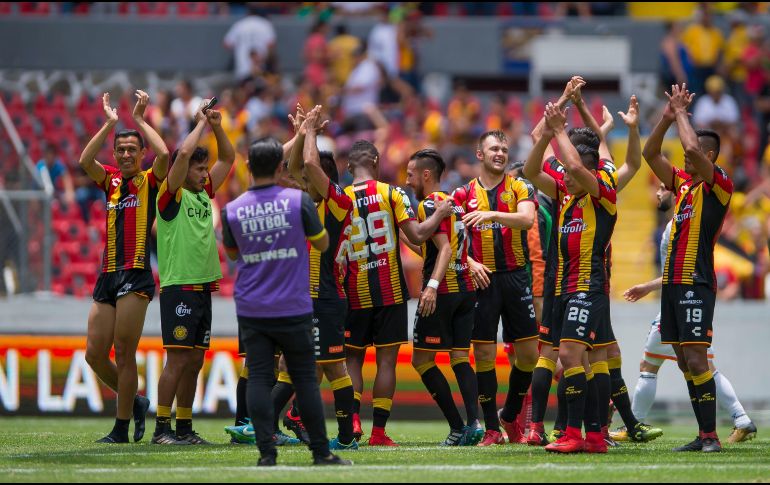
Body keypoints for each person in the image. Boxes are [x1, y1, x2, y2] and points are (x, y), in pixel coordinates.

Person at [221, 137, 351, 467]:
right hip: (293, 303)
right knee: (305, 379)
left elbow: (233, 254)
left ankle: (266, 454)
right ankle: (321, 453)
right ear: (280, 168)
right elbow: (321, 243)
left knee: (258, 376)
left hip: (251, 305)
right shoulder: (298, 202)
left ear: (248, 167)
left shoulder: (232, 209)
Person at [614, 182, 757, 444]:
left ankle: (634, 424)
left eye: (662, 188)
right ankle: (741, 418)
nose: (657, 193)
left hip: (677, 305)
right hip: (682, 302)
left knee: (652, 366)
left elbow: (677, 271)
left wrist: (647, 286)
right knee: (704, 367)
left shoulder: (677, 228)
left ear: (676, 192)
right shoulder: (676, 225)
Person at [642, 83, 734, 453]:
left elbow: (692, 148)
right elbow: (650, 153)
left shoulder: (719, 184)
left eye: (691, 153)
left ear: (708, 156)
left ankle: (711, 436)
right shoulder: (682, 186)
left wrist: (681, 111)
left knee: (696, 357)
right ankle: (703, 434)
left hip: (697, 281)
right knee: (683, 360)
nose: (685, 158)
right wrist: (667, 117)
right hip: (673, 284)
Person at [342, 139, 451, 446]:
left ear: (349, 167)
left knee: (353, 359)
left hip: (354, 290)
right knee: (386, 362)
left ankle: (352, 420)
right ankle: (378, 432)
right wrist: (439, 214)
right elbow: (417, 234)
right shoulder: (392, 193)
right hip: (389, 290)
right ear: (376, 162)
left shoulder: (340, 197)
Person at [523, 102, 617, 454]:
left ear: (589, 173)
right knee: (578, 361)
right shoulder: (567, 192)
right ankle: (594, 436)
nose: (565, 178)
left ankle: (574, 434)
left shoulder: (603, 191)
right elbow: (531, 170)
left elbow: (575, 165)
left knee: (570, 355)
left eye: (571, 174)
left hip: (588, 287)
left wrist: (559, 129)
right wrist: (548, 131)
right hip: (563, 287)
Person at [79, 90, 169, 443]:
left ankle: (120, 428)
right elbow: (85, 160)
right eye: (121, 150)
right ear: (115, 154)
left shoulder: (149, 180)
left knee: (124, 350)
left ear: (141, 153)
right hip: (108, 273)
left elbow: (165, 154)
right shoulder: (111, 180)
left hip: (136, 272)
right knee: (94, 354)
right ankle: (137, 401)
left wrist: (141, 120)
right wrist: (110, 124)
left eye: (133, 149)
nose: (127, 154)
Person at [151, 101, 235, 445]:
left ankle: (184, 427)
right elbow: (183, 153)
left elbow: (228, 157)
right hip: (179, 288)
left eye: (205, 169)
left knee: (195, 361)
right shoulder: (170, 196)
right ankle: (161, 428)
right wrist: (199, 123)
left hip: (202, 288)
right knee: (177, 360)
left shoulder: (203, 195)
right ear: (182, 170)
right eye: (199, 169)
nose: (204, 174)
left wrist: (216, 126)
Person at [452, 130, 538, 446]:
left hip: (516, 278)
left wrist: (491, 214)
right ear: (480, 154)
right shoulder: (462, 194)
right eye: (493, 149)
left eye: (503, 148)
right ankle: (491, 428)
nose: (500, 153)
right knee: (485, 354)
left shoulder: (520, 186)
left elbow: (527, 220)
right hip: (482, 280)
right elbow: (448, 239)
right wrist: (469, 262)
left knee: (528, 356)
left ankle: (510, 414)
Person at [283, 105, 358, 451]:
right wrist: (301, 134)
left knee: (334, 368)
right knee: (301, 366)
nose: (300, 180)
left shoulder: (339, 202)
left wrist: (311, 131)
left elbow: (309, 167)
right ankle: (281, 420)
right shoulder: (310, 201)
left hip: (327, 296)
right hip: (306, 297)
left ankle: (344, 437)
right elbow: (292, 168)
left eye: (308, 178)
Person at [405, 148, 483, 446]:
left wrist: (432, 286)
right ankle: (474, 424)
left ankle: (456, 426)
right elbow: (436, 246)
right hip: (465, 290)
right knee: (460, 357)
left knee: (421, 360)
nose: (407, 180)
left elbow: (445, 249)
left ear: (426, 174)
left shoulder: (429, 205)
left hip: (443, 292)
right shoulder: (453, 203)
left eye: (411, 174)